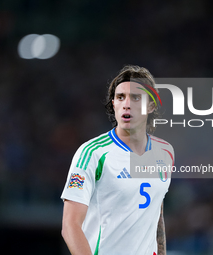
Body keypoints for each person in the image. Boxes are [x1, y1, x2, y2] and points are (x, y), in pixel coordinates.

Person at [61, 65, 174, 255]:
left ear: (151, 106)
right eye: (120, 97)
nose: (126, 104)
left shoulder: (165, 152)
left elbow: (156, 211)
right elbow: (70, 225)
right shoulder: (92, 153)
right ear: (113, 104)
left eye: (136, 97)